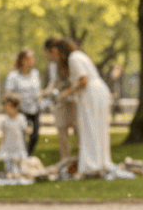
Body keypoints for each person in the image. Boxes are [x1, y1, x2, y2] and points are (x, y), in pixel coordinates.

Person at [54, 38, 130, 179]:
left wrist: (66, 93)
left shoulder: (73, 58)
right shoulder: (80, 55)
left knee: (89, 129)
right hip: (99, 92)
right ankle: (100, 162)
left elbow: (83, 80)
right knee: (98, 129)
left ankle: (91, 165)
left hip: (91, 95)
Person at [41, 37, 78, 161]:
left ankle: (84, 160)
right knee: (62, 131)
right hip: (61, 101)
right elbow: (53, 83)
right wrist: (45, 92)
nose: (46, 56)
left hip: (74, 99)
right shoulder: (54, 65)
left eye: (46, 52)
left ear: (52, 50)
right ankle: (66, 160)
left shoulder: (70, 60)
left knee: (78, 129)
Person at [4, 48, 43, 156]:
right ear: (21, 60)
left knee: (34, 136)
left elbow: (38, 91)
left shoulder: (35, 73)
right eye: (27, 59)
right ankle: (21, 158)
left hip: (34, 109)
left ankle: (28, 156)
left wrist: (40, 99)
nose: (30, 61)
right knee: (21, 138)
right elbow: (7, 93)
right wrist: (19, 97)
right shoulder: (13, 76)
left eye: (32, 59)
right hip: (21, 110)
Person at [0, 93, 31, 175]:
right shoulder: (4, 120)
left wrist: (29, 130)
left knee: (20, 167)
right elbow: (3, 135)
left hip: (18, 147)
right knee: (8, 168)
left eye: (9, 107)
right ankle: (10, 173)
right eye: (6, 106)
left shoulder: (20, 118)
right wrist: (0, 149)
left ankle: (18, 173)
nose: (7, 109)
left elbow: (25, 130)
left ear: (16, 107)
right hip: (8, 147)